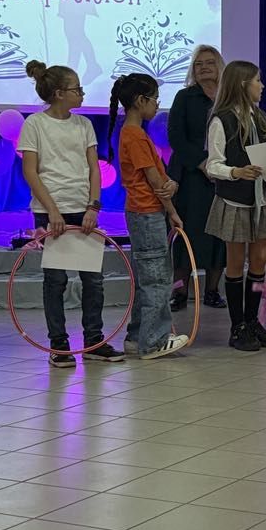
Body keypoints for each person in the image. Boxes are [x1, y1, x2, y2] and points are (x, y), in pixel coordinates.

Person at [18, 61, 124, 367]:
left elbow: (94, 168)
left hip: (82, 210)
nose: (82, 93)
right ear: (59, 93)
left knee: (94, 280)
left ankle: (94, 341)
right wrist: (52, 211)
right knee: (56, 280)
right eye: (77, 88)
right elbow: (30, 171)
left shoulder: (84, 125)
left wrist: (93, 206)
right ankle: (59, 344)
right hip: (50, 212)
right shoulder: (35, 124)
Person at [108, 74, 190, 360]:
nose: (157, 105)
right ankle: (153, 341)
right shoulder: (135, 136)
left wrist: (169, 192)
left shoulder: (133, 133)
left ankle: (136, 336)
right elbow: (155, 181)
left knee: (146, 276)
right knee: (157, 278)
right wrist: (172, 207)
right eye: (155, 99)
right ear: (140, 101)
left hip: (143, 211)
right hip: (147, 212)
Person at [204, 61, 266, 352]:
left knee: (259, 260)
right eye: (257, 80)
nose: (262, 86)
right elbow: (213, 164)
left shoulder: (260, 118)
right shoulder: (221, 119)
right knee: (236, 261)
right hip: (235, 200)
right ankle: (237, 325)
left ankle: (252, 320)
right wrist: (236, 172)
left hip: (261, 199)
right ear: (242, 84)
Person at [167, 45, 227, 311]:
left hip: (224, 175)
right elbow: (176, 136)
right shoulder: (185, 97)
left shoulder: (228, 98)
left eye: (209, 63)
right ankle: (179, 292)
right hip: (191, 174)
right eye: (198, 64)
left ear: (219, 66)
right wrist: (202, 163)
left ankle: (212, 291)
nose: (203, 68)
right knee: (186, 235)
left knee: (219, 235)